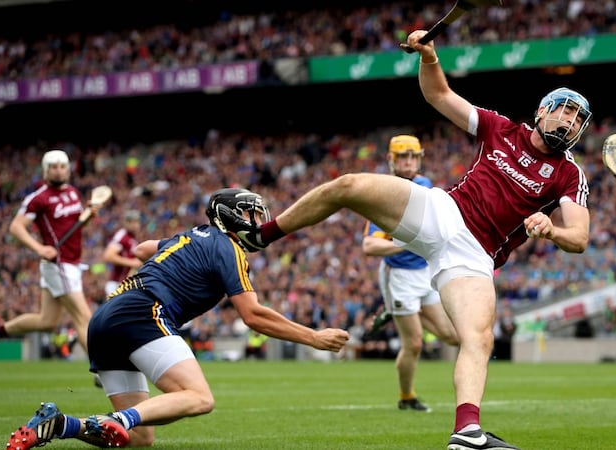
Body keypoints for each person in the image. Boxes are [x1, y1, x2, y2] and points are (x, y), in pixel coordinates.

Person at [236, 30, 593, 449]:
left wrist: (552, 229)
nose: (568, 122)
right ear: (542, 111)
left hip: (475, 255)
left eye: (577, 119)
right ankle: (262, 235)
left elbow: (580, 236)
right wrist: (429, 56)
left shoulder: (570, 174)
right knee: (348, 185)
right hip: (442, 212)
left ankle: (466, 432)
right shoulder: (501, 129)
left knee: (478, 337)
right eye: (564, 111)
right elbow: (439, 96)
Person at [5, 187, 350, 449]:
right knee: (200, 398)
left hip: (106, 316)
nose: (257, 223)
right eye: (251, 215)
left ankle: (61, 424)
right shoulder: (228, 247)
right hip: (143, 311)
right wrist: (315, 338)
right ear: (230, 216)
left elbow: (142, 249)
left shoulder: (189, 235)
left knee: (140, 437)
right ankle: (114, 419)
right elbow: (253, 315)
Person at [363, 134, 458, 413]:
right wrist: (401, 244)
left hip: (424, 272)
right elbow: (369, 245)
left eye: (412, 157)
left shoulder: (425, 185)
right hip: (400, 275)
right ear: (391, 160)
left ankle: (398, 311)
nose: (407, 162)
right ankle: (407, 397)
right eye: (402, 157)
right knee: (414, 343)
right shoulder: (382, 193)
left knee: (453, 336)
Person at [0, 150, 100, 364]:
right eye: (53, 166)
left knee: (47, 321)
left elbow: (74, 226)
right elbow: (16, 227)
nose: (58, 170)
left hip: (72, 262)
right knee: (83, 317)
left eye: (62, 166)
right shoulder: (39, 198)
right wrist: (39, 248)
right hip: (58, 264)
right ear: (45, 171)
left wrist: (88, 215)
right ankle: (103, 369)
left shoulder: (72, 192)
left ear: (68, 169)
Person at [102, 209, 143, 299]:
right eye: (132, 222)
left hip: (125, 284)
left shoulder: (133, 238)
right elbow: (108, 256)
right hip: (116, 284)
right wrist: (132, 262)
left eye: (137, 221)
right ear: (127, 223)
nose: (136, 225)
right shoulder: (122, 235)